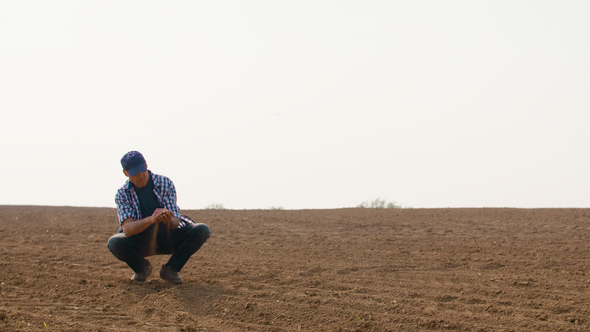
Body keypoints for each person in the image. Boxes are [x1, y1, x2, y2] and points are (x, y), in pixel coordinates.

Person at [107, 151, 210, 284]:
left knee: (201, 230)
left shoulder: (165, 183)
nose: (140, 176)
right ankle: (141, 269)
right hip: (141, 240)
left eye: (142, 170)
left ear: (146, 165)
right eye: (134, 173)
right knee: (115, 242)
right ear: (126, 173)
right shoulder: (122, 193)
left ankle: (171, 269)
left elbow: (175, 223)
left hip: (168, 237)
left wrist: (167, 218)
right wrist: (151, 219)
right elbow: (128, 229)